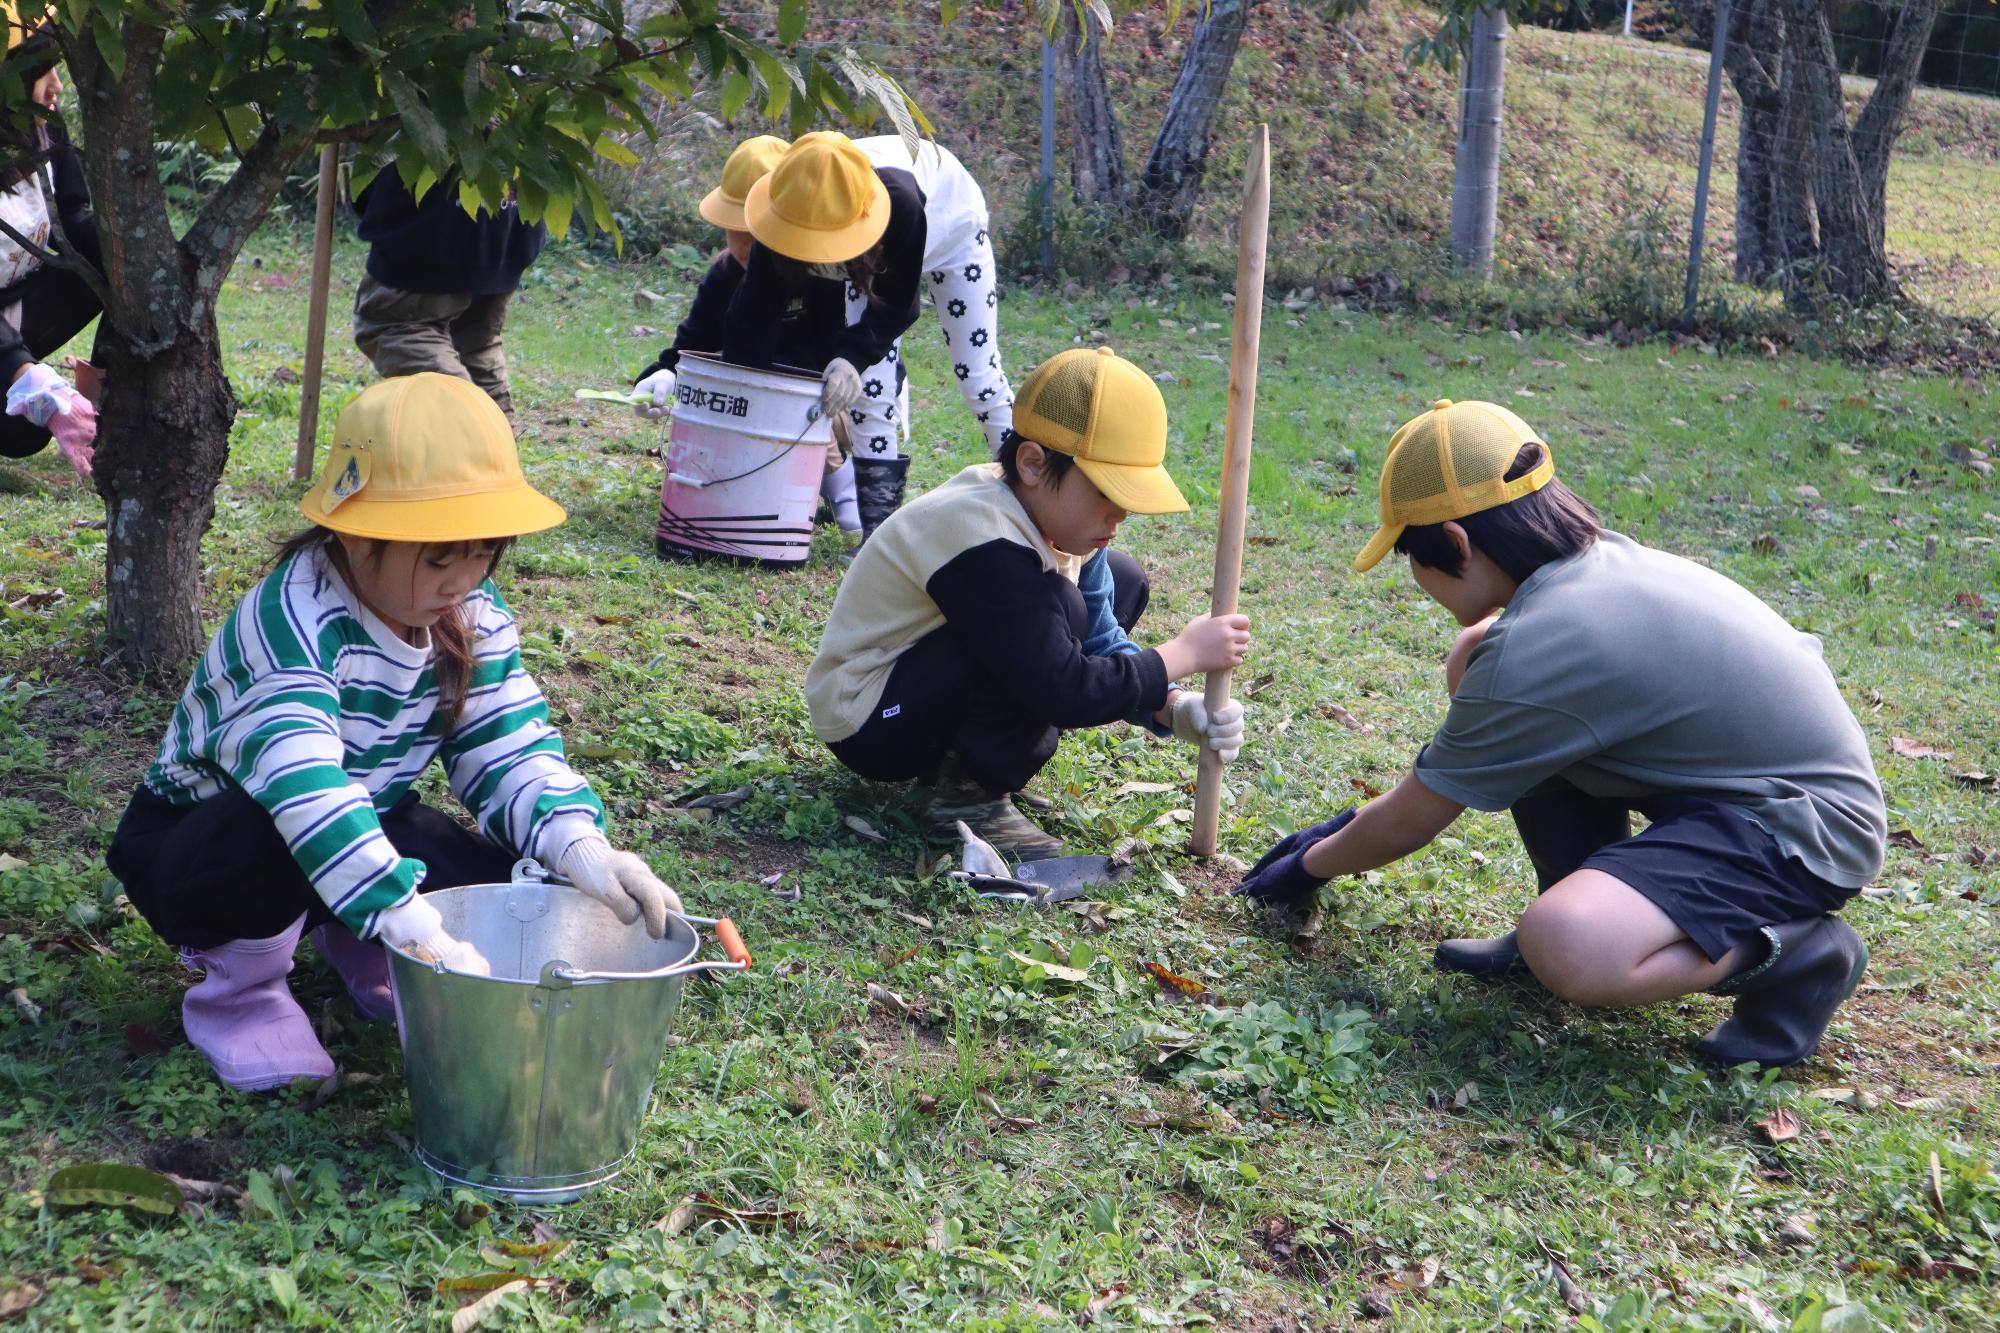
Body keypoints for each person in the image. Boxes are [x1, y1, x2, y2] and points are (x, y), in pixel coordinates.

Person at [1235, 399, 1886, 1070]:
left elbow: (1412, 818)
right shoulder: (1588, 573)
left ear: (1454, 544)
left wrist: (1307, 863)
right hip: (1743, 795)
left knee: (1569, 944)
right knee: (1473, 657)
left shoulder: (1547, 642)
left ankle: (1802, 954)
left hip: (1801, 833)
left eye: (1408, 554)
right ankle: (1581, 890)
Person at [107, 373, 684, 1092]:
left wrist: (582, 848)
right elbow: (308, 795)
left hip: (363, 810)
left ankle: (358, 932)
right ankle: (242, 992)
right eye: (439, 556)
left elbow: (507, 745)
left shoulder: (471, 610)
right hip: (206, 841)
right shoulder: (289, 626)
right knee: (277, 835)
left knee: (486, 883)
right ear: (353, 531)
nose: (464, 578)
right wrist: (412, 924)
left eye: (482, 551)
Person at [805, 347, 1249, 857]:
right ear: (1034, 463)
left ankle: (963, 767)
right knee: (1055, 605)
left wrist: (1172, 706)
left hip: (926, 689)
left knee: (1118, 580)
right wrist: (1183, 654)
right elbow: (1063, 688)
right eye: (1108, 490)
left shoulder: (1061, 528)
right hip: (871, 719)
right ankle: (963, 798)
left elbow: (1099, 639)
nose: (1121, 513)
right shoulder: (982, 537)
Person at [719, 130, 927, 541]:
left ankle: (875, 529)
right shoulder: (788, 210)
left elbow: (900, 304)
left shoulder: (900, 204)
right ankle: (838, 495)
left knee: (970, 381)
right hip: (856, 266)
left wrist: (853, 357)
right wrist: (744, 413)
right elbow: (748, 326)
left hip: (941, 232)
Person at [351, 167, 547, 420]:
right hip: (508, 225)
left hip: (433, 230)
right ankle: (494, 455)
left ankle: (471, 430)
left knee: (394, 326)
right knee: (473, 346)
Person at [0, 15, 99, 477]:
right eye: (44, 71)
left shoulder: (44, 126)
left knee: (113, 249)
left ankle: (102, 407)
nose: (57, 85)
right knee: (21, 431)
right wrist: (24, 373)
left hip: (19, 307)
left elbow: (75, 217)